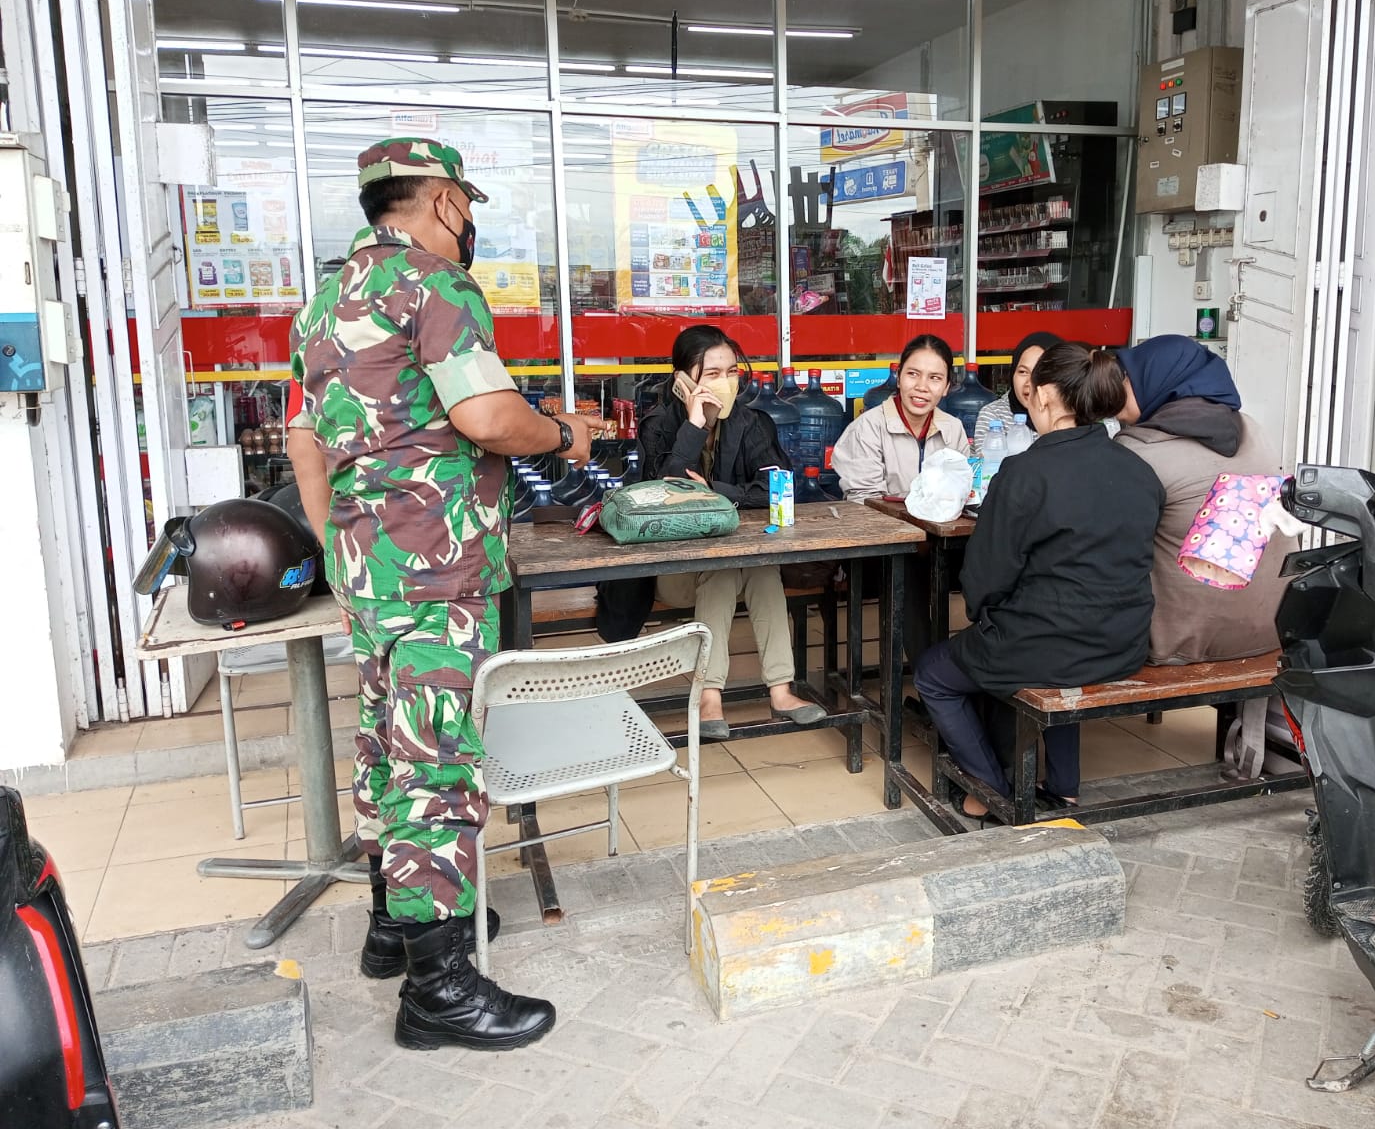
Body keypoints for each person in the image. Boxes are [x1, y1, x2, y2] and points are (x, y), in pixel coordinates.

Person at [289, 137, 600, 1052]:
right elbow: (486, 417)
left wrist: (342, 557)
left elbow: (306, 443)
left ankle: (398, 927)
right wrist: (565, 435)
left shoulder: (327, 298)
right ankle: (441, 991)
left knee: (387, 747)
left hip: (373, 574)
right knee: (435, 765)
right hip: (434, 572)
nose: (470, 220)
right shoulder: (436, 287)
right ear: (443, 201)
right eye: (467, 202)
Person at [913, 343, 1164, 819]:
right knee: (1059, 657)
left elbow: (986, 576)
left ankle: (990, 784)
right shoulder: (1139, 470)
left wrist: (984, 617)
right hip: (1122, 644)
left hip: (1042, 646)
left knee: (933, 674)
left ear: (1045, 394)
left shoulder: (1025, 471)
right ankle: (1063, 787)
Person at [637, 325, 824, 739]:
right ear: (684, 380)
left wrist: (716, 493)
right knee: (721, 571)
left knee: (762, 568)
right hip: (677, 573)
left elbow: (776, 487)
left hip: (742, 564)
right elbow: (660, 494)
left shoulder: (751, 422)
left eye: (732, 372)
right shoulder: (657, 425)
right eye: (713, 374)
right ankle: (709, 697)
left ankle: (781, 689)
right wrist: (693, 426)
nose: (726, 383)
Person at [1113, 335, 1288, 664]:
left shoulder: (1139, 449)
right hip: (1269, 629)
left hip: (1177, 643)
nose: (1117, 388)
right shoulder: (1253, 429)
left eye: (1126, 378)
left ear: (1157, 380)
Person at [830, 335, 968, 501]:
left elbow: (961, 491)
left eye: (935, 378)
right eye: (913, 374)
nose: (921, 387)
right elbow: (865, 501)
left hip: (942, 524)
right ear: (898, 378)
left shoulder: (953, 429)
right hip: (882, 525)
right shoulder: (868, 427)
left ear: (946, 387)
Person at [972, 331, 1064, 453]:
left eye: (1040, 373)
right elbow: (989, 466)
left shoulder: (1069, 415)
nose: (1030, 383)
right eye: (1023, 372)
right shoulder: (994, 415)